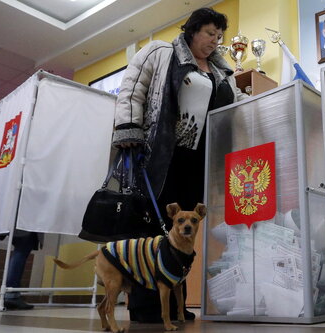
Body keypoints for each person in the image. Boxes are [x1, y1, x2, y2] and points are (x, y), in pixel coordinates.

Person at [111, 7, 246, 323]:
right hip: (162, 154)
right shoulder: (161, 52)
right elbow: (133, 87)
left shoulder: (221, 72)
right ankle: (144, 307)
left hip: (200, 160)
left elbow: (236, 106)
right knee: (152, 228)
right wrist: (128, 127)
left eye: (219, 36)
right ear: (194, 29)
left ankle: (174, 305)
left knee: (184, 235)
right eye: (210, 33)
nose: (215, 41)